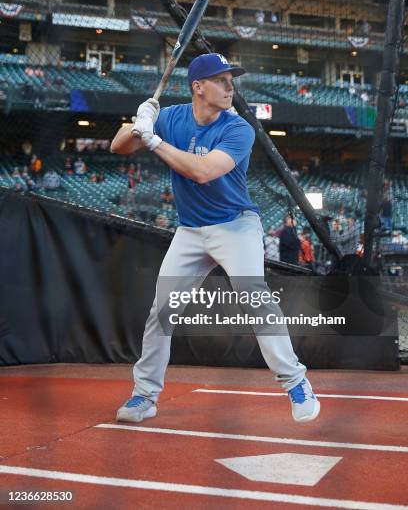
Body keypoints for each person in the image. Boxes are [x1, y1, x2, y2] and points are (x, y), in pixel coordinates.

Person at [110, 52, 320, 425]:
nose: (230, 87)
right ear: (198, 87)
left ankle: (296, 382)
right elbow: (118, 147)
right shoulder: (171, 116)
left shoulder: (237, 128)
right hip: (190, 231)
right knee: (161, 313)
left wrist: (154, 140)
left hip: (235, 226)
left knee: (255, 300)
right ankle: (144, 396)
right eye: (222, 80)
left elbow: (203, 172)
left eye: (231, 80)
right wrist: (137, 123)